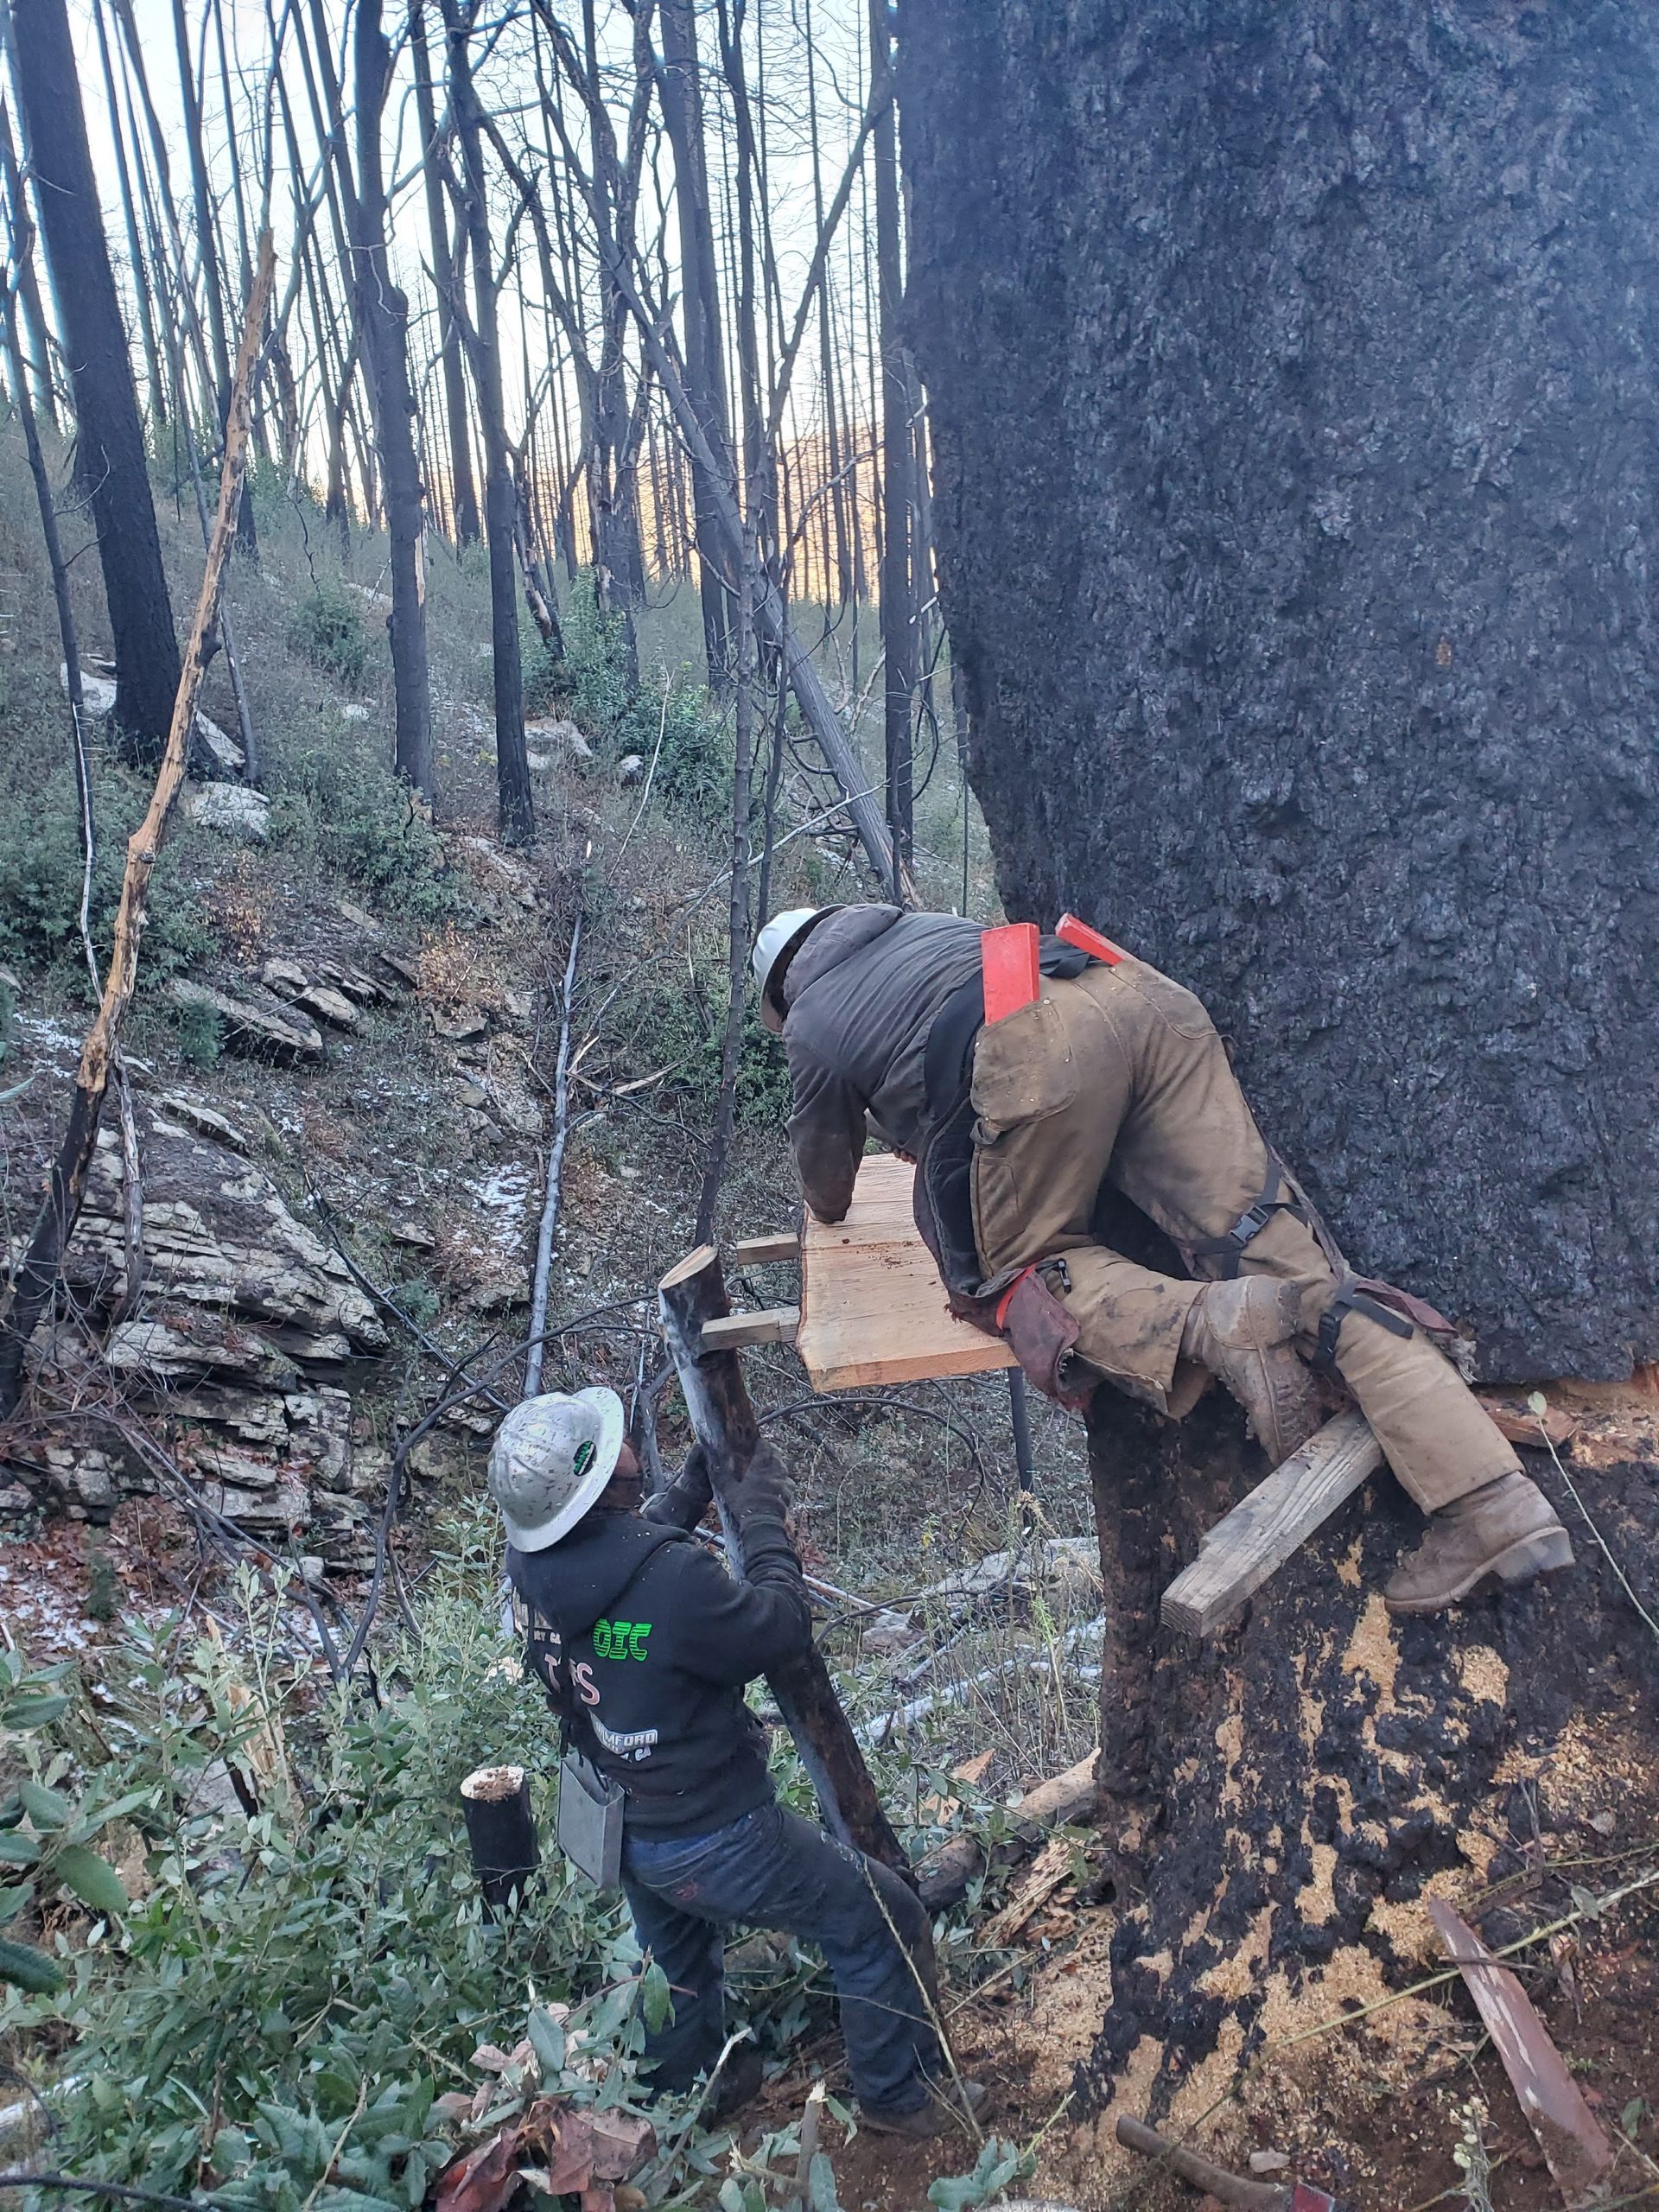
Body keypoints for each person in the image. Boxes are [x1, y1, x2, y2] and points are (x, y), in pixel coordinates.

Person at [751, 903, 1573, 1617]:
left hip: (1035, 1047)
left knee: (1021, 1277)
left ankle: (1217, 1322)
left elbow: (826, 1162)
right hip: (1134, 997)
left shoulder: (815, 1016)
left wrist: (832, 1208)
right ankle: (1490, 1500)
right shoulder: (916, 931)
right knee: (1295, 1275)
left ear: (780, 992)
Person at [489, 1386, 984, 2136]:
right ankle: (899, 2099)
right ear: (593, 1491)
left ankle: (685, 2101)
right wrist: (760, 1521)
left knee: (678, 1971)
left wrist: (690, 1491)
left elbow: (617, 1566)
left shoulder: (532, 1574)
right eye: (615, 1450)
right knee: (881, 1920)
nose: (630, 1452)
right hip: (716, 1834)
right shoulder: (675, 1581)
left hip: (629, 1825)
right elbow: (779, 1627)